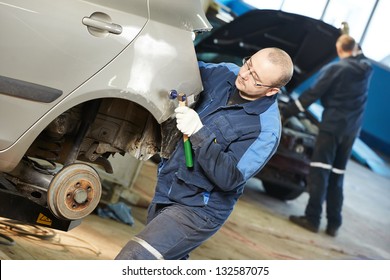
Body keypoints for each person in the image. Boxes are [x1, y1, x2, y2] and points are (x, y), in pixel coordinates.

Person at [115, 47, 294, 260]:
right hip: (168, 186)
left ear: (272, 90)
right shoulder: (225, 73)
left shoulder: (265, 130)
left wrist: (198, 133)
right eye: (248, 63)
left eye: (255, 77)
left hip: (199, 209)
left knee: (135, 258)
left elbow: (230, 178)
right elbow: (185, 70)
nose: (244, 74)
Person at [283, 34, 373, 237]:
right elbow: (360, 55)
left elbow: (312, 94)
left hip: (331, 128)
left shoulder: (336, 69)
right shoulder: (366, 68)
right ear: (356, 48)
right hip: (351, 131)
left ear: (340, 50)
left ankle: (312, 219)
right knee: (337, 176)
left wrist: (287, 112)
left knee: (319, 173)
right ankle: (334, 224)